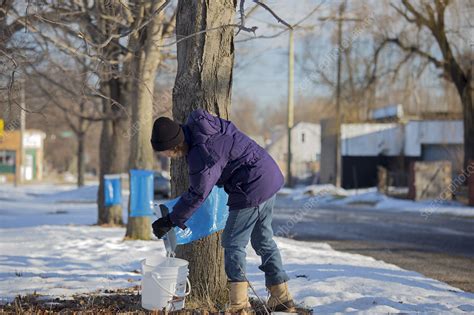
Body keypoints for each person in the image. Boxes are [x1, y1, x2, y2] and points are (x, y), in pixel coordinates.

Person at [150, 109, 295, 313]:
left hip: (250, 187)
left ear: (174, 147)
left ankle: (239, 305)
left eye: (164, 152)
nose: (166, 157)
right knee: (263, 240)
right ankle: (281, 297)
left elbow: (198, 194)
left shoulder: (201, 154)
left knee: (233, 242)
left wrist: (170, 220)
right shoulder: (203, 127)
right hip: (268, 174)